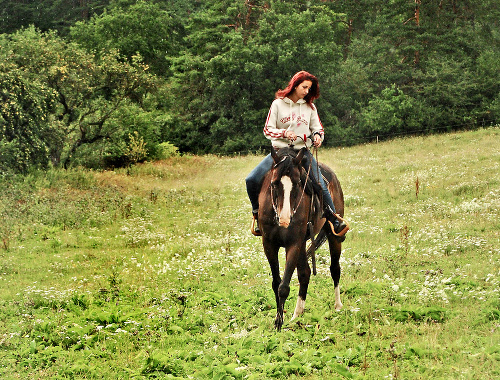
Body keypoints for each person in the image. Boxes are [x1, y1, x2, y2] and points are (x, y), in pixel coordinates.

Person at [246, 70, 348, 237]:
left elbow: (318, 129)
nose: (307, 91)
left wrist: (317, 136)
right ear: (295, 85)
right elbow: (267, 130)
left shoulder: (310, 107)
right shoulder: (277, 104)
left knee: (320, 183)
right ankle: (257, 215)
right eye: (305, 87)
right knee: (251, 179)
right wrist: (284, 133)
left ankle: (333, 219)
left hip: (302, 153)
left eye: (309, 89)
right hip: (280, 152)